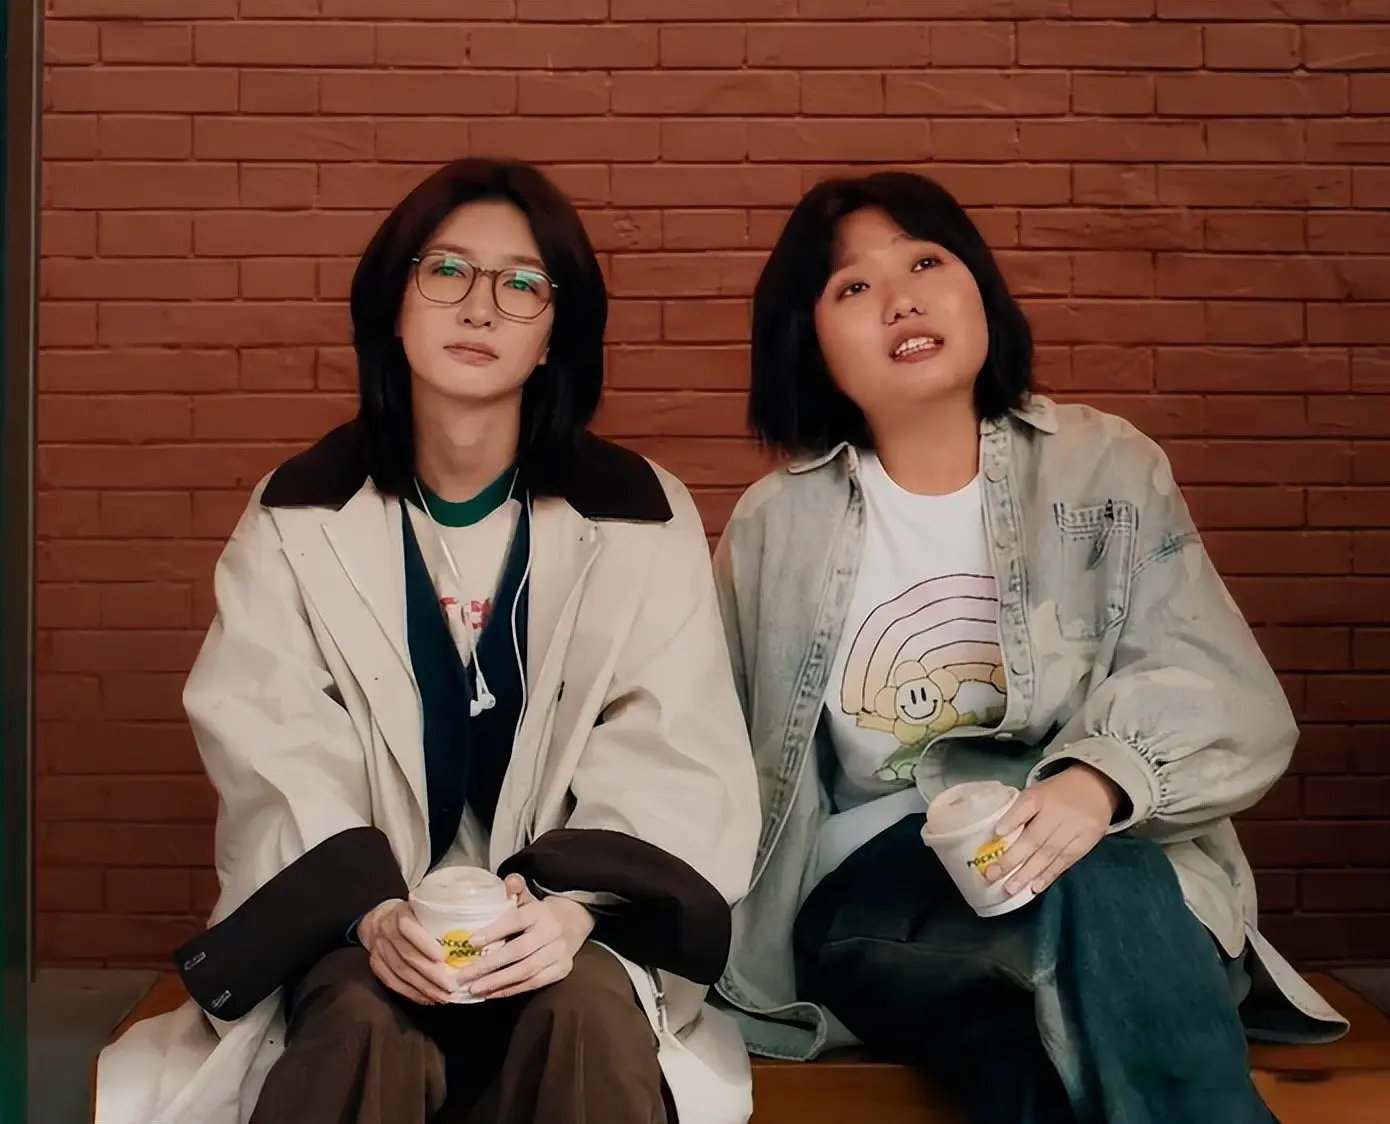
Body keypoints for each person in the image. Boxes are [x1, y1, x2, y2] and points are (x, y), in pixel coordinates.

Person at [92, 156, 761, 1124]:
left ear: (554, 336)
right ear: (393, 306)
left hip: (564, 932)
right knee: (360, 1022)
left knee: (584, 1018)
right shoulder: (298, 514)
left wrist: (573, 911)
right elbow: (269, 738)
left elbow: (676, 743)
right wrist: (371, 914)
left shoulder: (638, 516)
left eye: (522, 284)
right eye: (446, 271)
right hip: (360, 925)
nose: (480, 307)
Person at [709, 170, 1349, 1124]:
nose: (900, 299)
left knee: (1033, 1045)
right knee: (1095, 905)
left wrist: (1098, 782)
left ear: (980, 290)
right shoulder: (776, 525)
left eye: (926, 262)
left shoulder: (1105, 467)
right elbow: (714, 748)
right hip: (886, 906)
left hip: (1115, 873)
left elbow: (1228, 691)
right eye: (853, 286)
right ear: (812, 343)